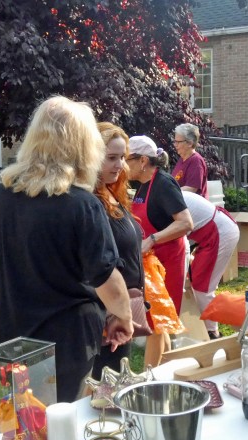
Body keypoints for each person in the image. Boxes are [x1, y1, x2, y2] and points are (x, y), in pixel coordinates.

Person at [0, 96, 133, 402]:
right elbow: (107, 279)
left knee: (23, 419)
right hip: (66, 341)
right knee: (61, 419)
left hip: (11, 336)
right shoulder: (81, 204)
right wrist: (123, 316)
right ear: (85, 146)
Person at [128, 134, 193, 367]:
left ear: (142, 161)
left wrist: (152, 239)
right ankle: (163, 372)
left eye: (126, 159)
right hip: (151, 265)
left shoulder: (164, 184)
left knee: (155, 324)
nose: (123, 164)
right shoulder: (142, 186)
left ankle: (148, 378)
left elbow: (186, 223)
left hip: (168, 262)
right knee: (159, 323)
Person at [91, 122, 144, 379]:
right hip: (106, 317)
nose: (120, 165)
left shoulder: (111, 192)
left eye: (122, 157)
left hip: (122, 311)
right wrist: (111, 313)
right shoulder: (90, 202)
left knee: (117, 381)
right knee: (104, 387)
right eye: (111, 158)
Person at [182, 191, 240, 340]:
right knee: (198, 283)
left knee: (202, 288)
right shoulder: (163, 195)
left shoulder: (163, 201)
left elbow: (182, 247)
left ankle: (213, 332)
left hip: (219, 233)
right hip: (212, 232)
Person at [171, 123, 209, 198]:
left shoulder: (196, 161)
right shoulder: (182, 160)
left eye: (178, 142)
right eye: (175, 141)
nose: (175, 145)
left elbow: (191, 189)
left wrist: (168, 192)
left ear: (190, 143)